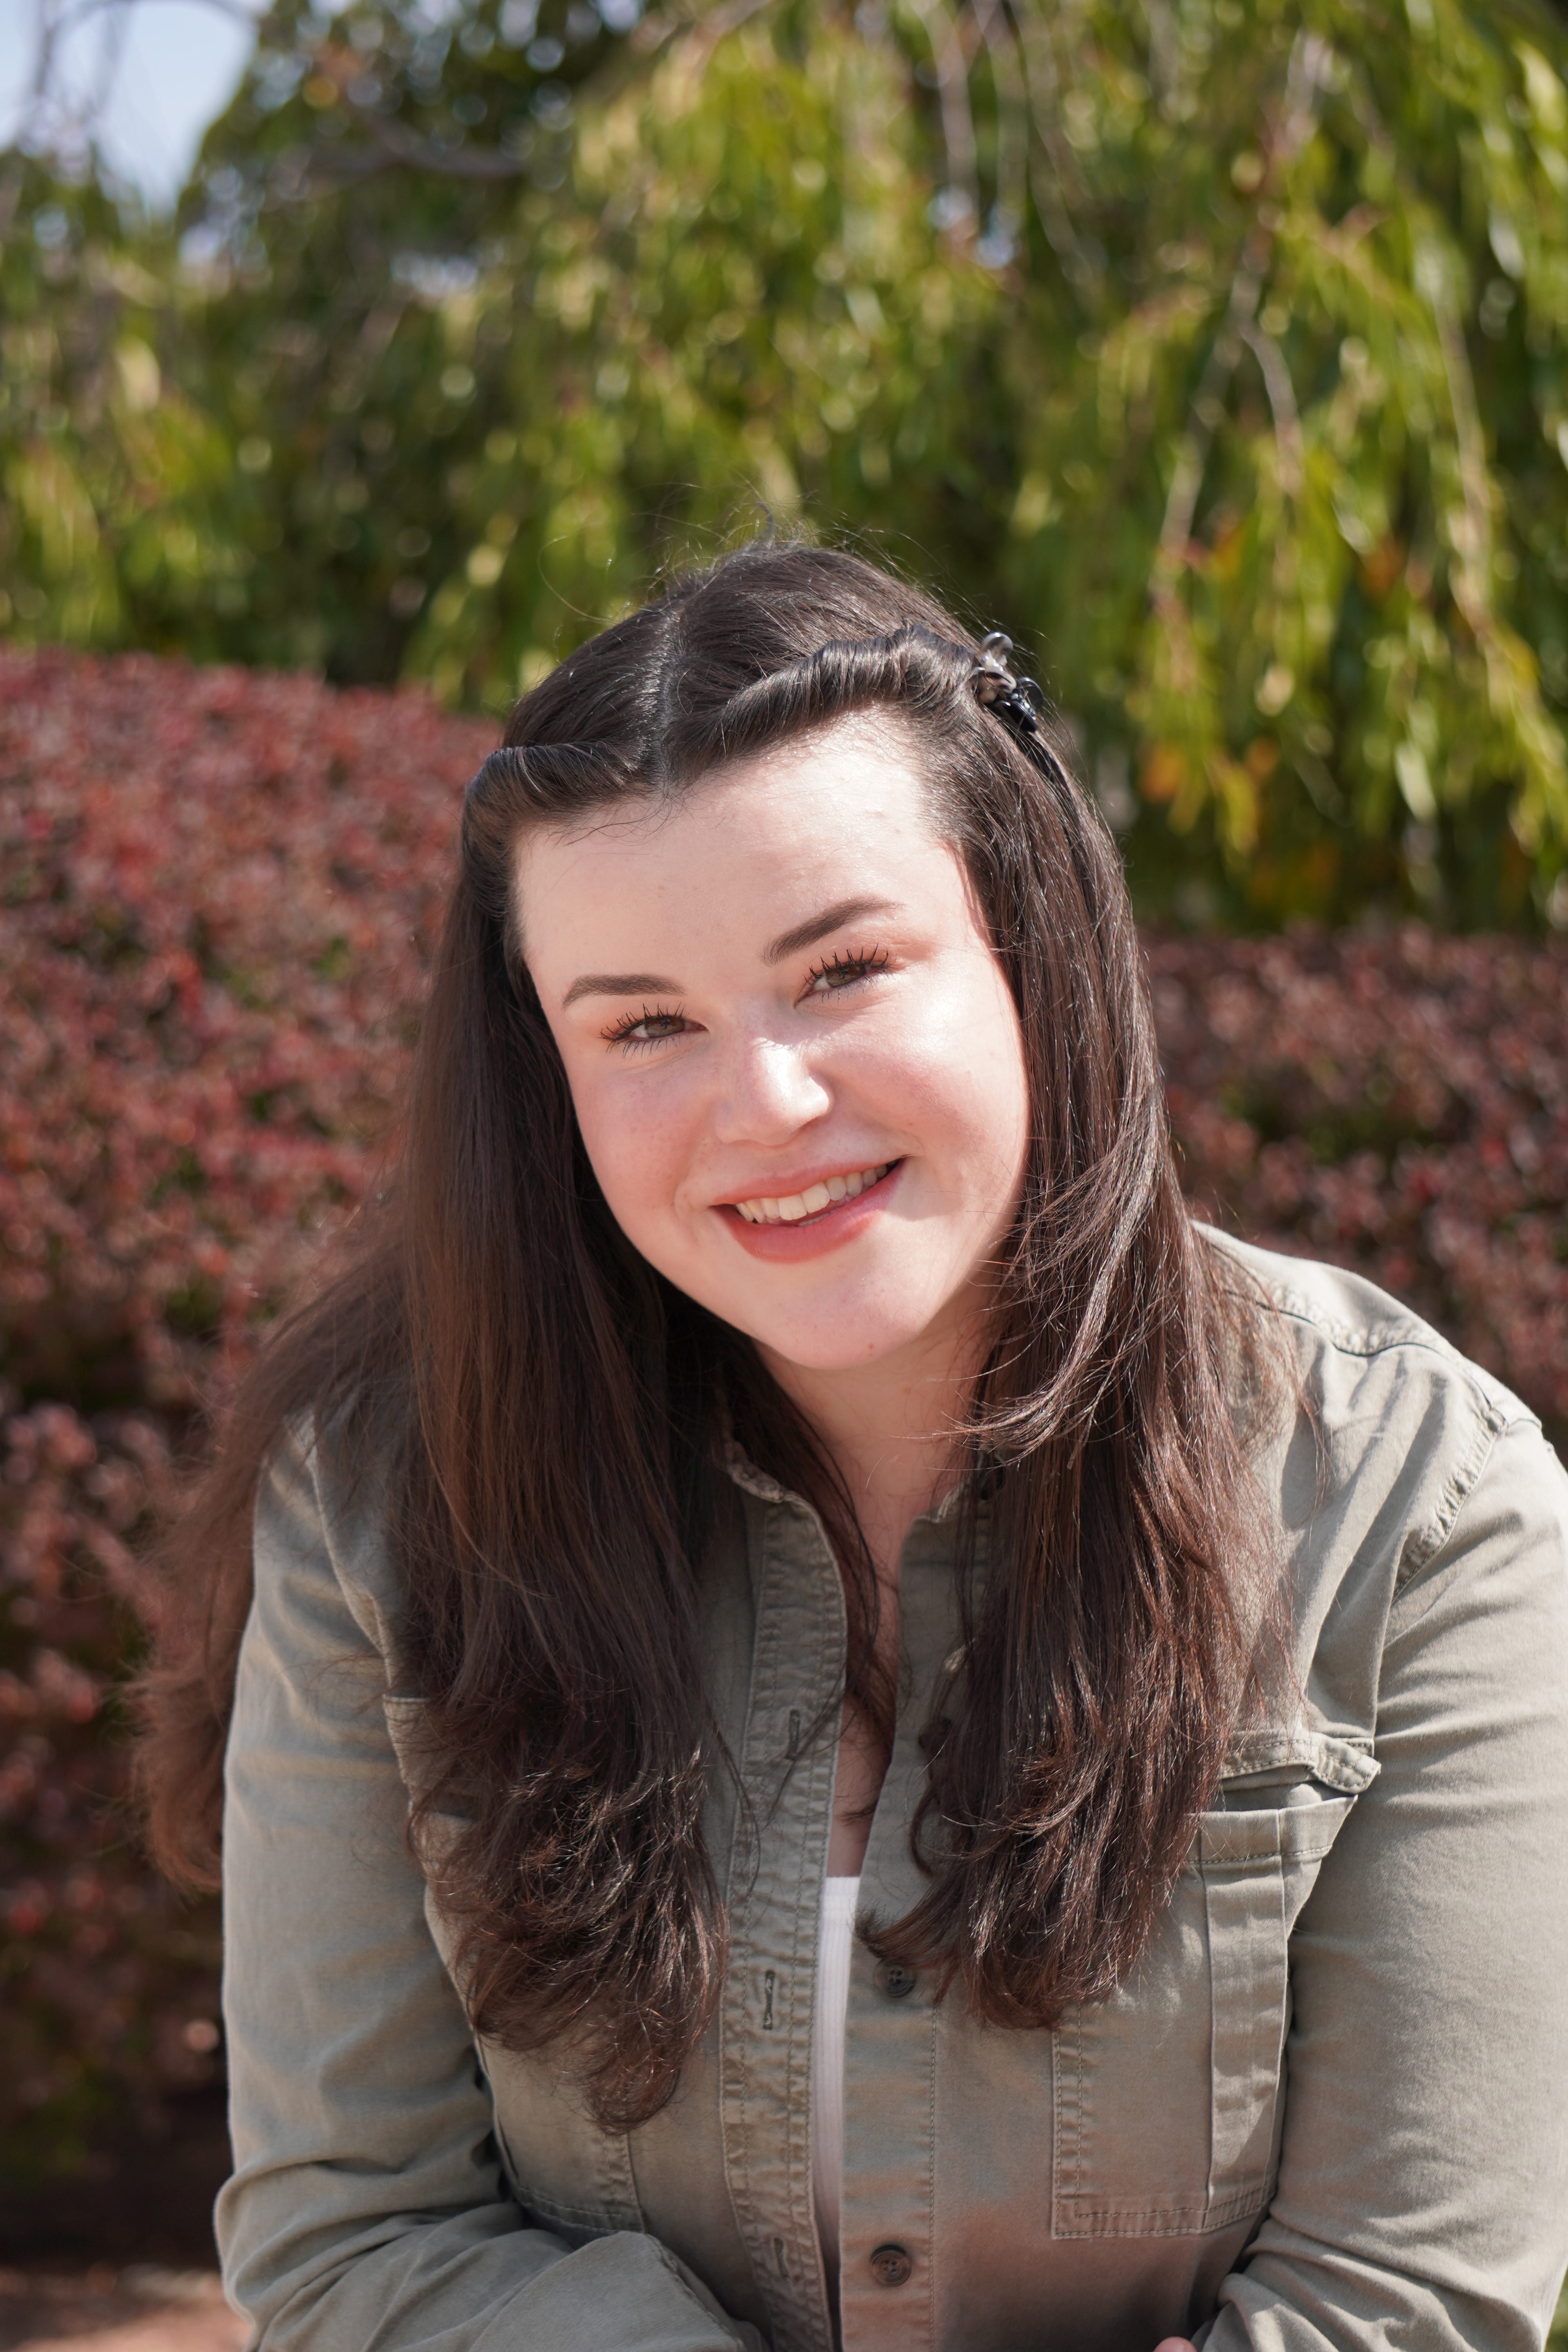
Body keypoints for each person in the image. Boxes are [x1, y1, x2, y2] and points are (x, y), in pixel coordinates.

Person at [143, 544, 1568, 2352]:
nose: (764, 1106)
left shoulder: (1420, 1509)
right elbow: (359, 2240)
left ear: (1029, 948)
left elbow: (1406, 2305)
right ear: (547, 1080)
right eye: (645, 1024)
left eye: (841, 971)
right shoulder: (382, 1508)